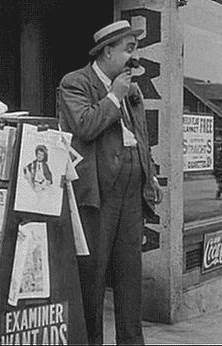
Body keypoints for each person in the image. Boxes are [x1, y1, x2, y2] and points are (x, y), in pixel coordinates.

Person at [58, 20, 162, 345]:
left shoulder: (130, 88)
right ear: (107, 51)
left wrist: (151, 174)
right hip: (98, 195)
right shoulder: (75, 83)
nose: (134, 57)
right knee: (93, 277)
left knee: (130, 278)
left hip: (132, 194)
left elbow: (140, 137)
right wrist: (114, 97)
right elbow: (84, 127)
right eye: (129, 49)